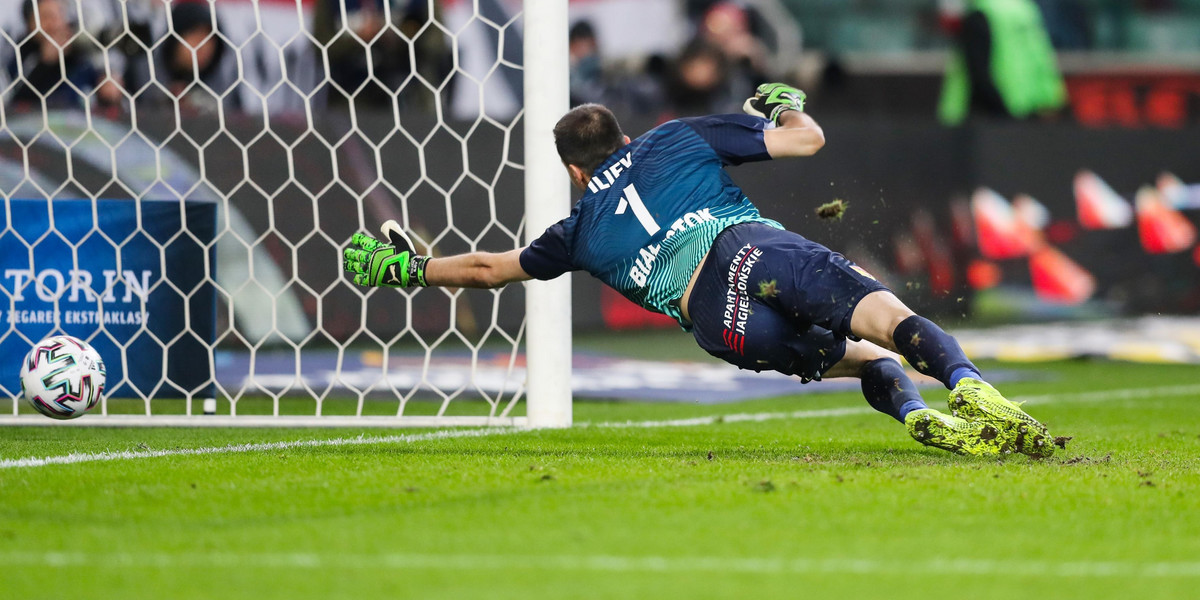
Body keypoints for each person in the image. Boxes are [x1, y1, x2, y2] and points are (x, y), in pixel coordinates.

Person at [343, 83, 1056, 457]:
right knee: (886, 319)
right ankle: (969, 388)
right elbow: (806, 142)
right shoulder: (674, 138)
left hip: (718, 322)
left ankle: (913, 414)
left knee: (859, 359)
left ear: (571, 170)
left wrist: (408, 269)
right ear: (623, 137)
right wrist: (785, 104)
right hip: (746, 250)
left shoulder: (576, 230)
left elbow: (487, 270)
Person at [938, 0, 1067, 125]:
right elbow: (1041, 58)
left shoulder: (981, 13)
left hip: (990, 118)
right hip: (1028, 108)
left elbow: (979, 73)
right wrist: (1052, 100)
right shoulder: (1025, 9)